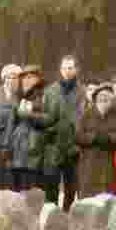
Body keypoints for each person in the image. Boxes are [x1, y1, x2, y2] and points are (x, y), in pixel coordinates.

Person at [5, 64, 56, 193]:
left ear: (39, 78)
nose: (27, 79)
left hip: (36, 151)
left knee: (33, 191)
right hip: (17, 150)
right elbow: (11, 124)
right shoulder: (18, 96)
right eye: (25, 77)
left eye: (31, 76)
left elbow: (50, 119)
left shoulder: (47, 95)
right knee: (17, 191)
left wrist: (30, 115)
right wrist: (6, 147)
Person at [43, 54, 83, 208]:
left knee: (71, 190)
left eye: (70, 68)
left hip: (73, 148)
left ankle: (67, 218)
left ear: (76, 70)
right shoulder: (50, 92)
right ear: (60, 70)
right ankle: (51, 220)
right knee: (51, 188)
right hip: (53, 146)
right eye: (65, 68)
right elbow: (44, 117)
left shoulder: (83, 92)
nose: (67, 71)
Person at [74, 83, 116, 198]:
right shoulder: (87, 114)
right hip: (88, 165)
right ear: (96, 99)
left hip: (109, 166)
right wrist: (94, 137)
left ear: (112, 99)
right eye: (101, 97)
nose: (103, 99)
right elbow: (77, 136)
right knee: (88, 200)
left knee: (108, 200)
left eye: (107, 97)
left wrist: (112, 138)